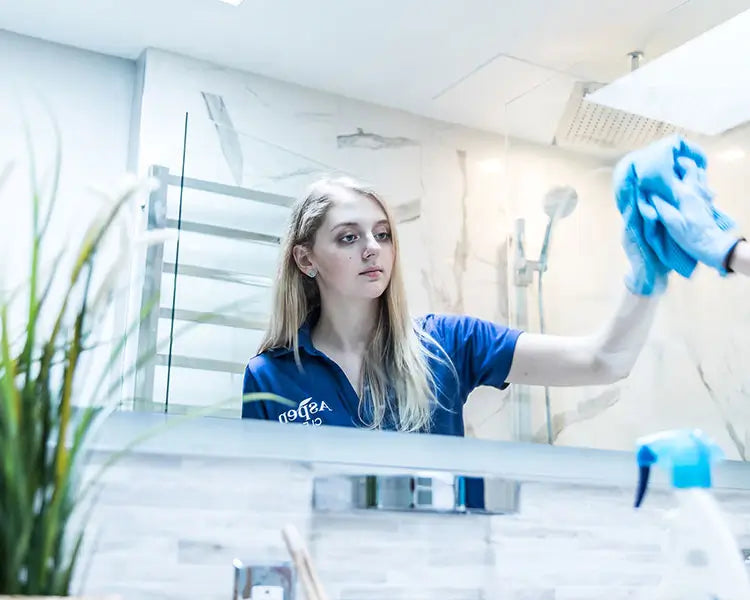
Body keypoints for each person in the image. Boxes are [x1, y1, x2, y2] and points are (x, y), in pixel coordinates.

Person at [241, 137, 744, 435]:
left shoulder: (446, 344)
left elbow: (606, 361)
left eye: (384, 234)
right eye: (349, 237)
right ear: (306, 259)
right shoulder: (271, 377)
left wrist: (645, 276)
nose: (373, 248)